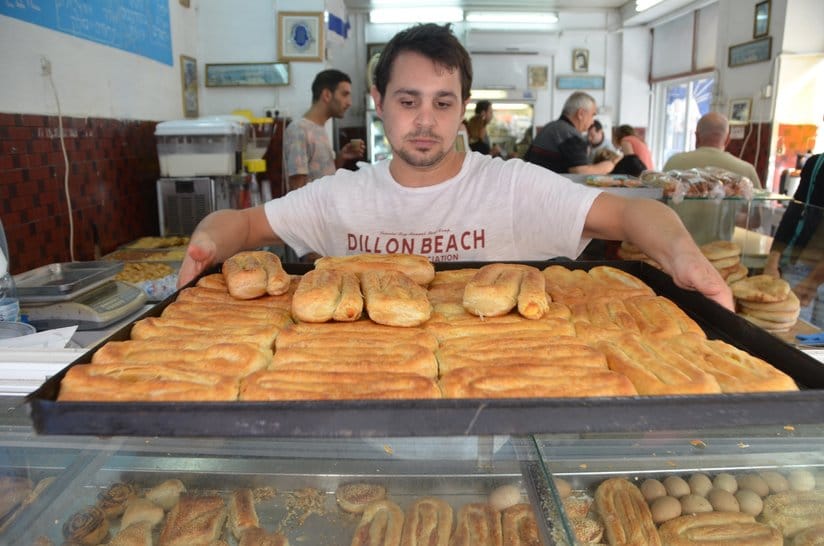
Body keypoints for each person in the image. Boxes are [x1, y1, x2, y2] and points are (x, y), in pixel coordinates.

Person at [178, 23, 731, 310]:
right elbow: (243, 225)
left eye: (443, 103)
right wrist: (206, 243)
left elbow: (631, 216)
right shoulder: (340, 197)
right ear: (378, 101)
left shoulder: (511, 187)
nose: (425, 120)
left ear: (462, 108)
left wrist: (684, 257)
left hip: (497, 411)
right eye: (407, 100)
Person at [764, 153, 824, 322]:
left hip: (809, 274)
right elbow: (795, 211)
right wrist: (772, 261)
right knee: (788, 330)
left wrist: (812, 281)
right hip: (799, 267)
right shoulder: (816, 163)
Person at [284, 69, 365, 191]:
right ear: (327, 95)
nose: (349, 103)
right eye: (344, 94)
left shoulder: (319, 128)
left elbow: (320, 176)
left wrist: (341, 158)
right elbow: (297, 189)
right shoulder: (299, 130)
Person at [523, 92, 617, 175]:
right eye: (592, 115)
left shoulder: (550, 127)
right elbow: (580, 172)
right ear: (581, 114)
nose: (592, 122)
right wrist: (607, 166)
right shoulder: (570, 134)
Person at [663, 112, 762, 188]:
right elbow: (760, 207)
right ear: (727, 140)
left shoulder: (673, 163)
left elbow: (657, 202)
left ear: (697, 137)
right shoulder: (747, 171)